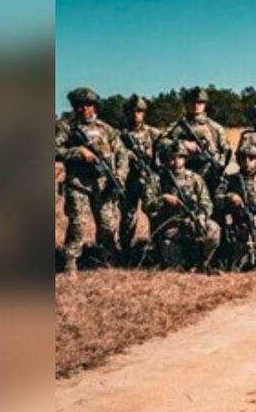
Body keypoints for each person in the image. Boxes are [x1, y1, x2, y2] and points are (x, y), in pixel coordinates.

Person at [56, 87, 129, 272]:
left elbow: (122, 153)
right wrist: (78, 152)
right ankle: (70, 262)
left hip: (104, 184)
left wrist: (120, 175)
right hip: (78, 184)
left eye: (88, 105)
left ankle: (107, 259)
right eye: (79, 105)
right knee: (78, 224)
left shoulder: (106, 129)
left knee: (107, 224)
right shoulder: (67, 128)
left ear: (95, 106)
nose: (84, 109)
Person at [145, 139, 221, 273]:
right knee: (175, 266)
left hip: (193, 221)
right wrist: (163, 199)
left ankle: (202, 263)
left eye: (179, 157)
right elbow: (146, 205)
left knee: (213, 230)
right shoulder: (157, 179)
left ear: (185, 159)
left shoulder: (195, 179)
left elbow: (206, 202)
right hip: (170, 227)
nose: (175, 161)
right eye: (172, 158)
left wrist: (202, 215)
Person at [214, 144, 256, 271]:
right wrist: (229, 197)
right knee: (236, 267)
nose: (247, 162)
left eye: (251, 159)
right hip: (237, 224)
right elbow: (217, 199)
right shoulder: (230, 180)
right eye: (243, 158)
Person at [118, 94, 161, 262]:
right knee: (128, 216)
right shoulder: (119, 135)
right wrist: (126, 154)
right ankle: (125, 252)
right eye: (132, 111)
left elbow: (166, 149)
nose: (136, 115)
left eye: (139, 111)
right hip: (128, 181)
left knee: (154, 213)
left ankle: (156, 249)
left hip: (149, 179)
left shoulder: (153, 133)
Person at [165, 86, 231, 191]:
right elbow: (161, 143)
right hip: (184, 177)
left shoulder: (215, 128)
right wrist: (183, 144)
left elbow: (226, 151)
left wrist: (218, 163)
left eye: (200, 102)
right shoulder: (177, 127)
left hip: (211, 176)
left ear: (205, 104)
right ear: (186, 104)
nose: (196, 106)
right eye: (192, 102)